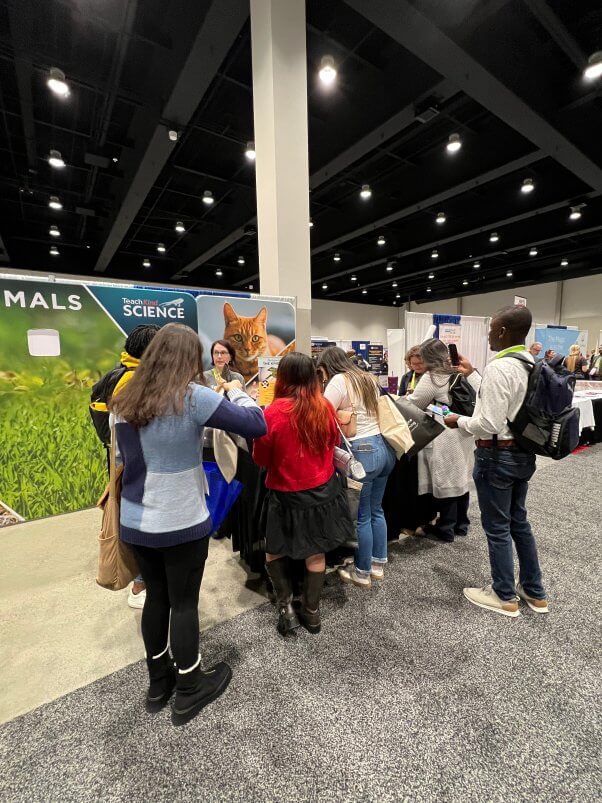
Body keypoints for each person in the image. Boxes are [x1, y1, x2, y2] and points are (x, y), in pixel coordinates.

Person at [110, 323, 266, 718]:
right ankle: (190, 685)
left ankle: (158, 683)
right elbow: (256, 425)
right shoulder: (192, 396)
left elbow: (118, 458)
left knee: (156, 598)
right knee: (183, 603)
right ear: (190, 359)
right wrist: (237, 392)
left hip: (135, 515)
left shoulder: (124, 397)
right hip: (180, 517)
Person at [444, 305, 549, 618]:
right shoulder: (530, 362)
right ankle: (534, 590)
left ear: (503, 331)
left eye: (491, 330)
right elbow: (506, 407)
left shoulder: (501, 367)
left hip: (496, 455)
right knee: (519, 521)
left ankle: (503, 594)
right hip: (522, 454)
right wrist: (473, 374)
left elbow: (487, 422)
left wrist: (457, 420)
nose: (488, 335)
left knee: (497, 527)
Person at [252, 353, 354, 635]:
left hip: (284, 496)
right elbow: (333, 443)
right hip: (322, 494)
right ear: (313, 375)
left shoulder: (272, 413)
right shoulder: (324, 406)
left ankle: (285, 608)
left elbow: (261, 458)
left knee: (274, 551)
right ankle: (312, 613)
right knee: (316, 552)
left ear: (281, 377)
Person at [89, 323, 160, 610]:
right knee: (139, 523)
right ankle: (140, 583)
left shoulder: (116, 374)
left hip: (121, 461)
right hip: (133, 464)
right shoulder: (133, 381)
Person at [317, 347, 395, 588]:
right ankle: (377, 565)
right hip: (384, 447)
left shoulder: (339, 380)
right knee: (376, 510)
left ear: (326, 367)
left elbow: (322, 412)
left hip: (362, 452)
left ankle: (362, 572)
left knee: (361, 517)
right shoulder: (366, 377)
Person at [406, 339, 478, 542]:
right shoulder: (457, 370)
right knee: (461, 478)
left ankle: (445, 528)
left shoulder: (433, 377)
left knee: (446, 480)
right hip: (464, 430)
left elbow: (416, 403)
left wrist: (401, 399)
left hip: (446, 433)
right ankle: (461, 524)